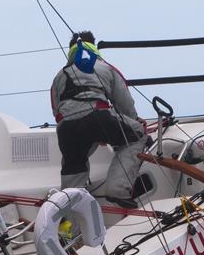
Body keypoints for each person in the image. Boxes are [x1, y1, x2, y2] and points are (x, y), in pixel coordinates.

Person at [50, 31, 148, 208]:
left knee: (74, 166)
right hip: (98, 116)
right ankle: (117, 190)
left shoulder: (59, 76)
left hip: (66, 128)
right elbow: (124, 102)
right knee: (136, 135)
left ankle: (68, 226)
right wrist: (131, 121)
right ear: (93, 47)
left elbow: (57, 111)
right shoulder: (105, 67)